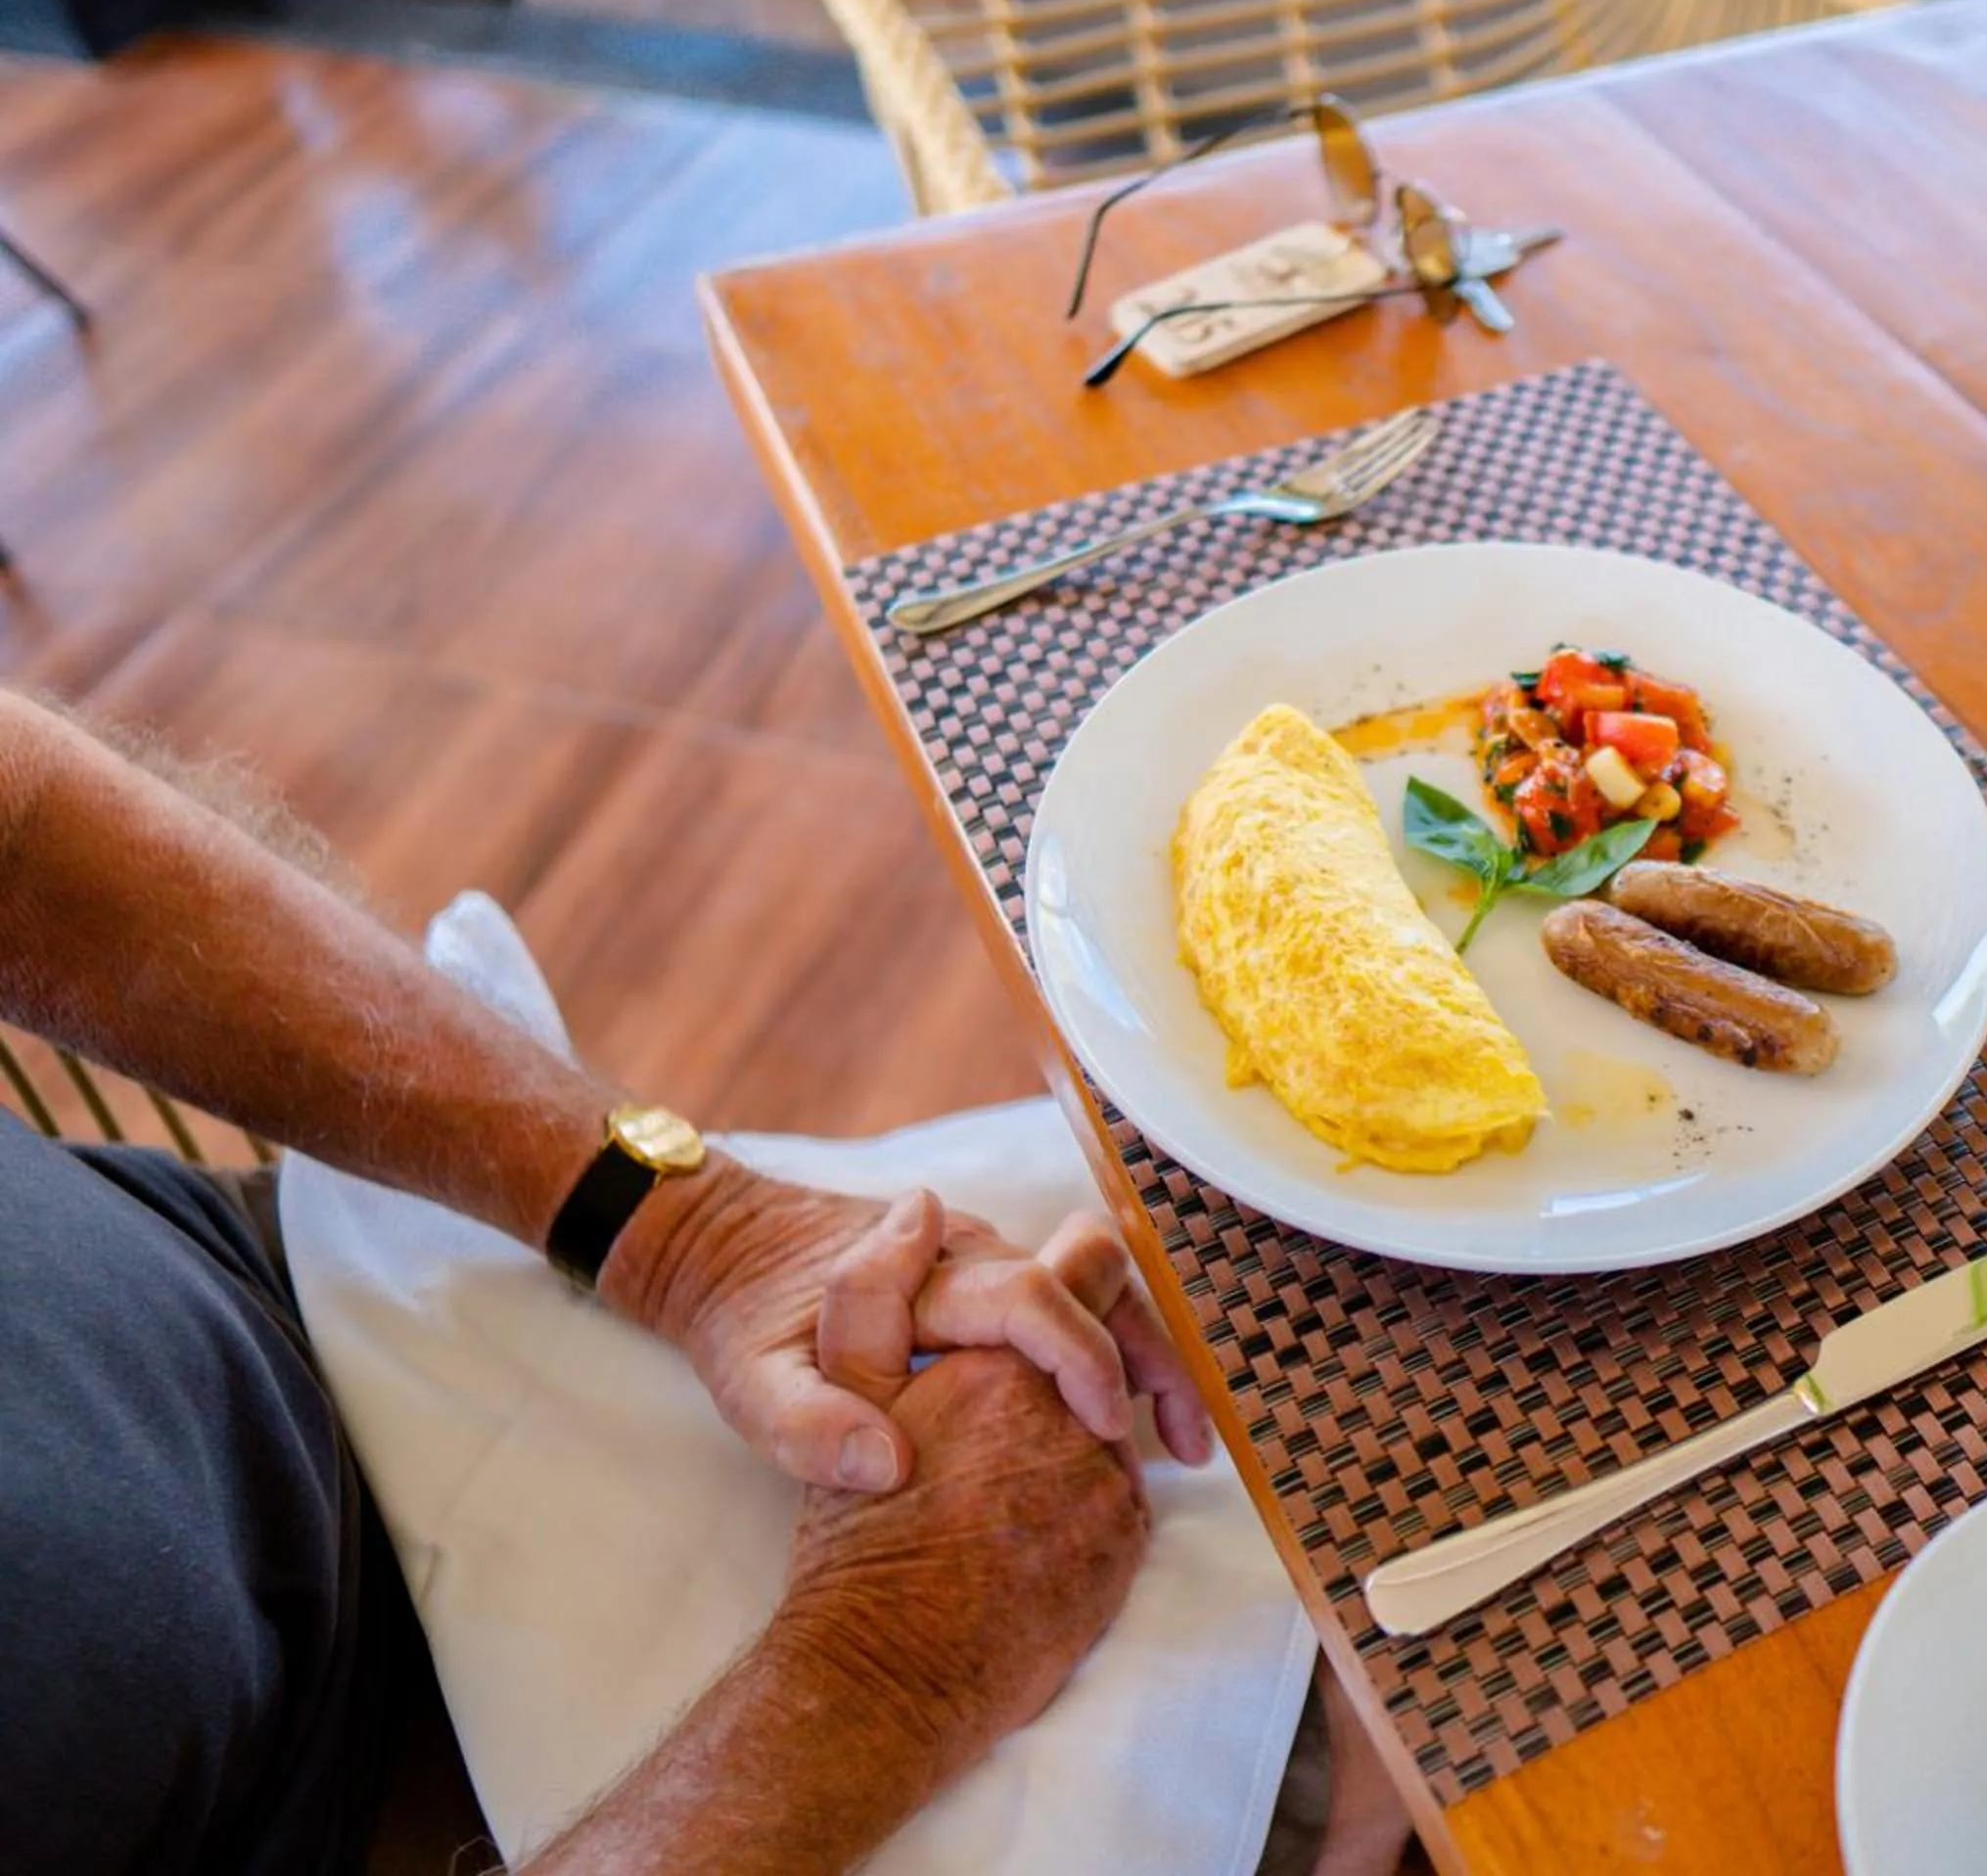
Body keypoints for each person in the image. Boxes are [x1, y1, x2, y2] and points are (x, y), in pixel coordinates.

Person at [0, 688, 1412, 1876]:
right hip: (438, 1811)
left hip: (299, 1291)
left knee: (1264, 1270)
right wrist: (888, 1669)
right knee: (1406, 1685)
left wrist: (688, 1232)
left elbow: (20, 828)